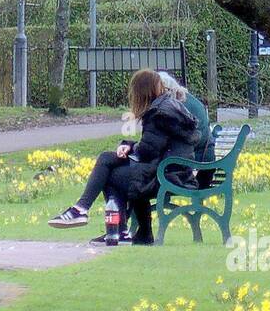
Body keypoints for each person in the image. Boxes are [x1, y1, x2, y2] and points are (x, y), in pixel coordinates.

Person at [48, 68, 199, 244]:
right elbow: (154, 147)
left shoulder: (159, 113)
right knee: (109, 161)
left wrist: (130, 147)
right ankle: (129, 231)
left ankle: (93, 215)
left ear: (142, 92)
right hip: (175, 171)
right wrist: (129, 146)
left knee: (111, 174)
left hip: (168, 175)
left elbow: (148, 151)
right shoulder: (168, 107)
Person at [158, 71, 217, 188]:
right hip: (206, 161)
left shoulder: (176, 105)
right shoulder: (189, 99)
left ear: (164, 89)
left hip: (196, 165)